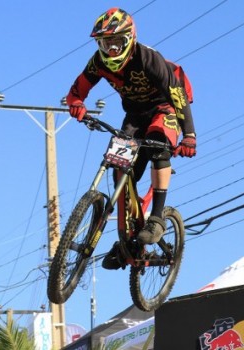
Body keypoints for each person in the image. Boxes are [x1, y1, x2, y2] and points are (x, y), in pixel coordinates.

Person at [65, 7, 197, 269]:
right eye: (105, 43)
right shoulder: (98, 61)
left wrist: (190, 135)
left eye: (116, 43)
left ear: (129, 39)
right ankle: (128, 239)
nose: (111, 49)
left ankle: (157, 218)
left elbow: (178, 95)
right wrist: (76, 103)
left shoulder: (149, 59)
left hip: (166, 107)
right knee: (120, 171)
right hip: (135, 116)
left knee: (159, 145)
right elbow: (77, 89)